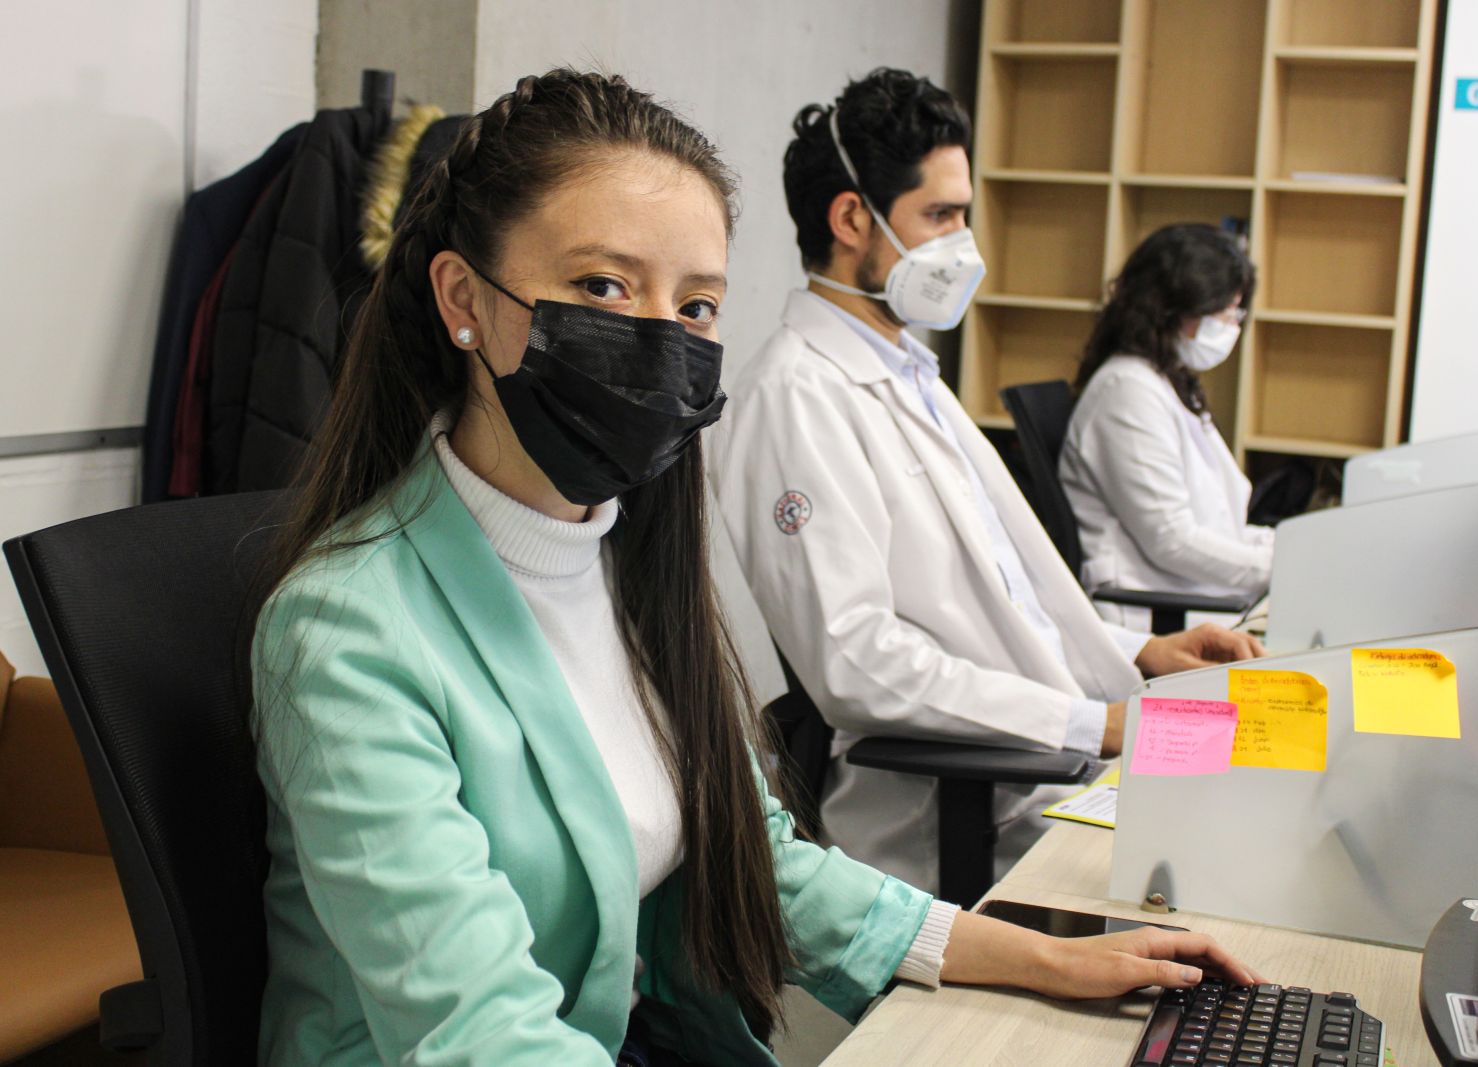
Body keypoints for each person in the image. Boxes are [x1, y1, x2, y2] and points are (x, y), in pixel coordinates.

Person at [246, 70, 1259, 1066]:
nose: (656, 334)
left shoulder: (627, 561)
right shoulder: (349, 629)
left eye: (694, 307)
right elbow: (476, 1030)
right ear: (464, 298)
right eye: (602, 284)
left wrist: (1043, 957)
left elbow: (762, 860)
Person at [710, 69, 1265, 894]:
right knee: (1251, 866)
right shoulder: (795, 398)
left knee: (1277, 786)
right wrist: (1095, 723)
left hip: (1045, 758)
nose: (963, 242)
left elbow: (1007, 607)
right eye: (941, 215)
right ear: (853, 218)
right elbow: (857, 661)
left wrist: (1141, 649)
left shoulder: (906, 370)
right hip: (966, 807)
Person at [1060, 224, 1274, 627]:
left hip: (1194, 596)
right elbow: (1171, 540)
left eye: (1236, 312)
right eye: (1222, 312)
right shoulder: (1127, 391)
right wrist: (1277, 566)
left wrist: (1289, 551)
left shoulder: (1165, 381)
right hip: (1157, 613)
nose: (1231, 325)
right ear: (1169, 308)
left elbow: (1217, 523)